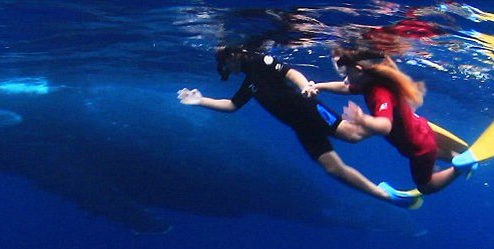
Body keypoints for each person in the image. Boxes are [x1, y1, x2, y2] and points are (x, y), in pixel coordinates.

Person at [178, 45, 422, 209]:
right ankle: (385, 196)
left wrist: (306, 86)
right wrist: (200, 101)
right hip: (299, 125)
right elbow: (231, 105)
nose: (226, 69)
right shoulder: (250, 82)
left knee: (352, 135)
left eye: (225, 62)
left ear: (233, 56)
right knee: (334, 169)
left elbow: (290, 72)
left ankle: (397, 121)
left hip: (308, 109)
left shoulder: (261, 61)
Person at [308, 47, 472, 195]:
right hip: (420, 129)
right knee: (432, 152)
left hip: (416, 146)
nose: (345, 79)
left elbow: (385, 126)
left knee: (426, 187)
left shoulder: (379, 92)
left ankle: (458, 169)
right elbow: (345, 88)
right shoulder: (370, 81)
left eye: (347, 74)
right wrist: (319, 86)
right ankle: (454, 156)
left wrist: (362, 119)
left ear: (359, 70)